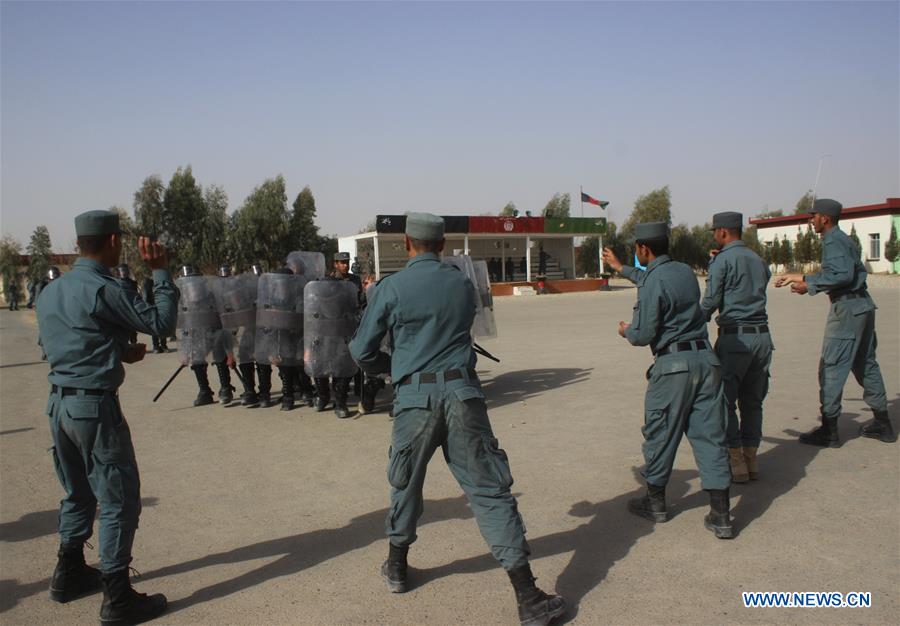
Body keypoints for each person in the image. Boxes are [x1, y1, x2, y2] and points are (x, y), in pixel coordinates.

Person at [349, 213, 565, 626]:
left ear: (407, 244)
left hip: (414, 399)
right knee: (489, 490)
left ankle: (397, 567)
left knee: (406, 484)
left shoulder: (391, 288)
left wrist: (395, 368)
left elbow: (361, 350)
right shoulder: (461, 283)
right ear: (442, 244)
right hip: (464, 394)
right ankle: (528, 596)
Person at [36, 209, 176, 624]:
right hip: (93, 409)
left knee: (78, 491)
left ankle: (69, 571)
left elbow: (60, 345)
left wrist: (113, 350)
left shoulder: (51, 291)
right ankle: (117, 596)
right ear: (113, 242)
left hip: (59, 405)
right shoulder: (103, 287)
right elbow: (161, 323)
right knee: (118, 498)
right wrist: (162, 273)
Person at [603, 222, 733, 539]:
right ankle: (721, 516)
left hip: (673, 366)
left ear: (643, 249)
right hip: (706, 361)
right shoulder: (684, 272)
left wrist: (626, 331)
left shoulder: (653, 281)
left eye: (636, 250)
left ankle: (655, 503)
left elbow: (644, 333)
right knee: (710, 435)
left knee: (661, 432)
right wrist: (620, 268)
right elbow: (652, 279)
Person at [775, 199, 894, 445]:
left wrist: (809, 285)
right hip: (862, 306)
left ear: (825, 219)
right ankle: (883, 424)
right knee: (865, 363)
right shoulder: (843, 239)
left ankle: (829, 430)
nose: (811, 220)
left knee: (831, 366)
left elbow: (841, 275)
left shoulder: (831, 240)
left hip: (847, 310)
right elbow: (843, 272)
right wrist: (802, 276)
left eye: (814, 216)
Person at [699, 212, 773, 482]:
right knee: (753, 401)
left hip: (736, 338)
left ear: (722, 232)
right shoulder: (757, 258)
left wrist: (693, 323)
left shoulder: (722, 260)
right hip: (763, 338)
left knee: (725, 400)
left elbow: (711, 301)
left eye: (714, 232)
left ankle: (736, 460)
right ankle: (752, 461)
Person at [313, 252, 361, 418]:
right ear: (335, 264)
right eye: (341, 262)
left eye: (346, 262)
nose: (345, 265)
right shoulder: (325, 281)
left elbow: (359, 302)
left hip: (345, 329)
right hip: (326, 330)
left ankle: (340, 402)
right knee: (321, 364)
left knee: (343, 366)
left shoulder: (354, 281)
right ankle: (323, 395)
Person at [142, 274, 168, 353]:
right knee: (158, 326)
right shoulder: (151, 282)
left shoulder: (151, 282)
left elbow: (145, 296)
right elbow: (146, 296)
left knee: (156, 327)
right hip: (156, 306)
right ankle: (159, 346)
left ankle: (159, 346)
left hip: (156, 306)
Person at [114, 264, 139, 345]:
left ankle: (133, 343)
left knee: (132, 330)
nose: (124, 272)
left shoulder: (133, 283)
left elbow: (136, 295)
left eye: (125, 270)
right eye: (122, 270)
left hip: (131, 309)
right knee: (122, 330)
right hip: (121, 310)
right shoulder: (115, 283)